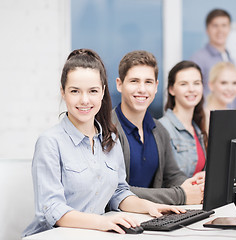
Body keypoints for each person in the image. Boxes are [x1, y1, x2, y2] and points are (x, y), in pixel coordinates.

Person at [22, 49, 185, 237]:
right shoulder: (50, 142)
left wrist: (151, 208)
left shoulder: (111, 139)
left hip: (97, 234)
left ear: (103, 92)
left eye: (93, 91)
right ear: (63, 92)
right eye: (75, 91)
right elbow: (52, 209)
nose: (84, 100)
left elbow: (119, 192)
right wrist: (103, 221)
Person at [112, 50, 204, 205]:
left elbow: (172, 176)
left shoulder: (159, 130)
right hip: (119, 220)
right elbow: (115, 191)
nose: (142, 89)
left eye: (148, 82)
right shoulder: (107, 130)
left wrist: (194, 186)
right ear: (119, 85)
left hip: (153, 218)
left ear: (156, 86)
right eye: (134, 81)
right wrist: (180, 195)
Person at [159, 61, 208, 178]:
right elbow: (165, 180)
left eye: (196, 83)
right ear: (171, 89)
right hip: (179, 196)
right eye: (184, 84)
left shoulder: (197, 128)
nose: (191, 89)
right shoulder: (162, 128)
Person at [190, 8, 236, 108]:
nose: (220, 30)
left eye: (224, 25)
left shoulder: (230, 59)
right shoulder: (198, 59)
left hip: (230, 117)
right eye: (215, 26)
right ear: (207, 30)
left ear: (229, 28)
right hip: (208, 118)